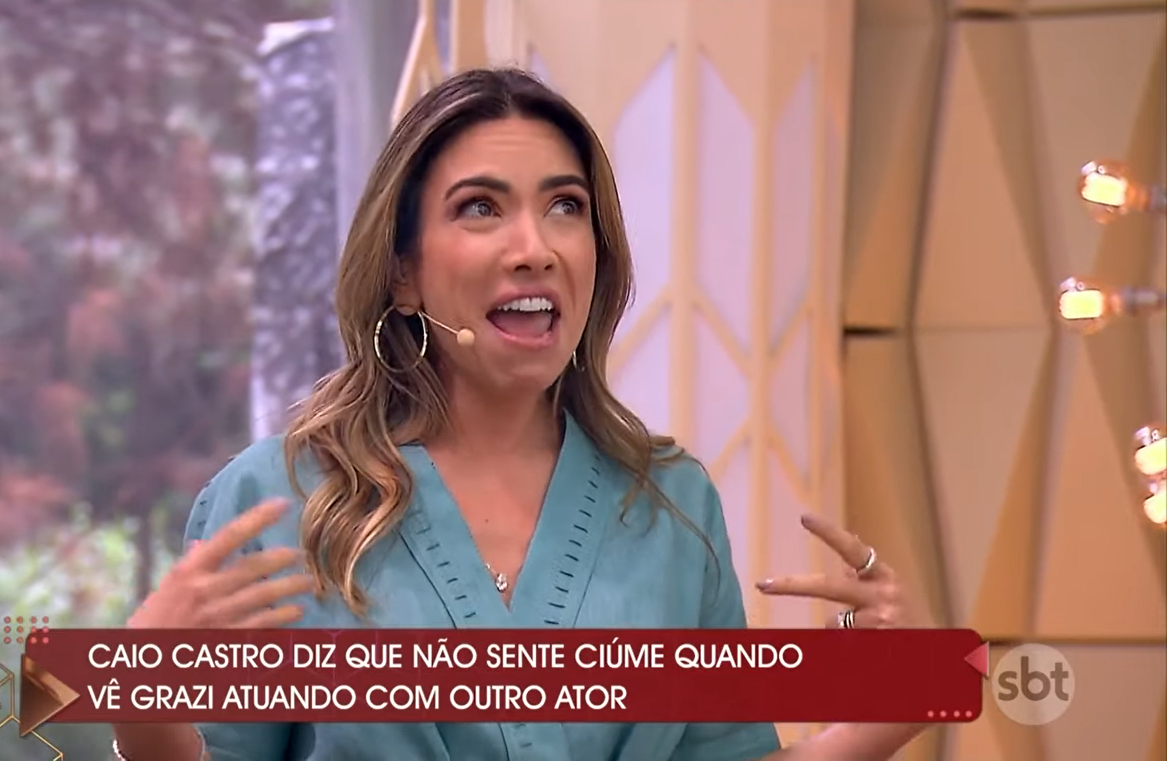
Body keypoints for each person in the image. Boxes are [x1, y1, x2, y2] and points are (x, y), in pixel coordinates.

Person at [114, 67, 930, 761]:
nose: (535, 247)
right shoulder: (278, 500)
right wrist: (143, 703)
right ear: (402, 274)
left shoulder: (671, 504)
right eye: (480, 208)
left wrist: (892, 710)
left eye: (566, 207)